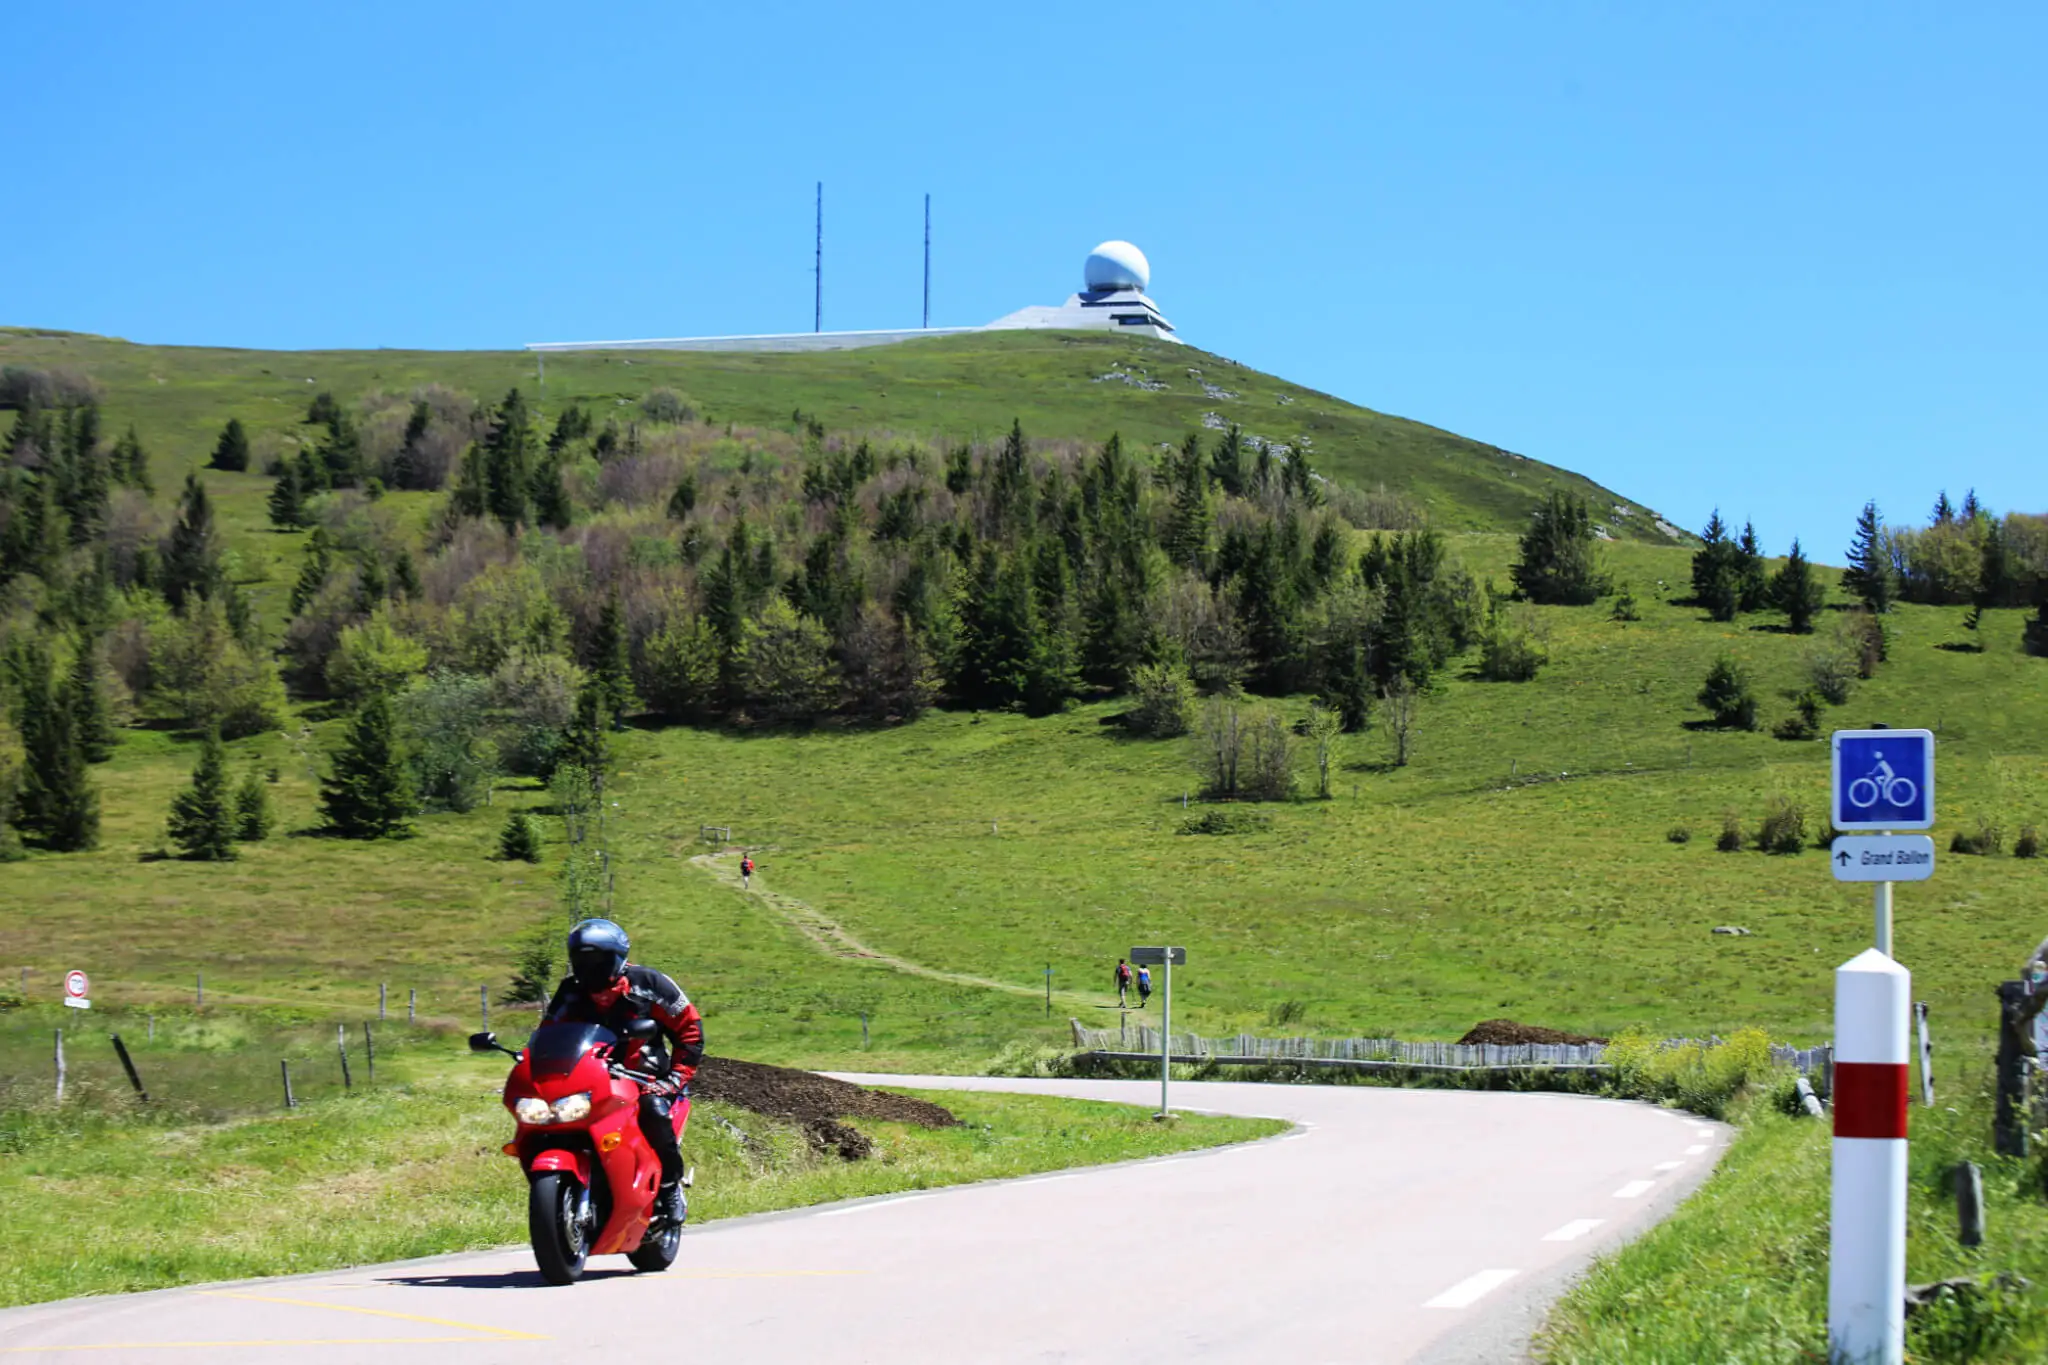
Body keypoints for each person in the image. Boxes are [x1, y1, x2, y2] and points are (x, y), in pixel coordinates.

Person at [542, 918, 704, 1226]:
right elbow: (549, 1033)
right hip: (589, 1077)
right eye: (583, 961)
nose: (590, 969)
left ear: (618, 959)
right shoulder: (570, 991)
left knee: (653, 1113)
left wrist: (674, 1079)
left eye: (598, 961)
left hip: (645, 1078)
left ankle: (669, 1188)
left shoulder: (650, 984)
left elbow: (690, 1030)